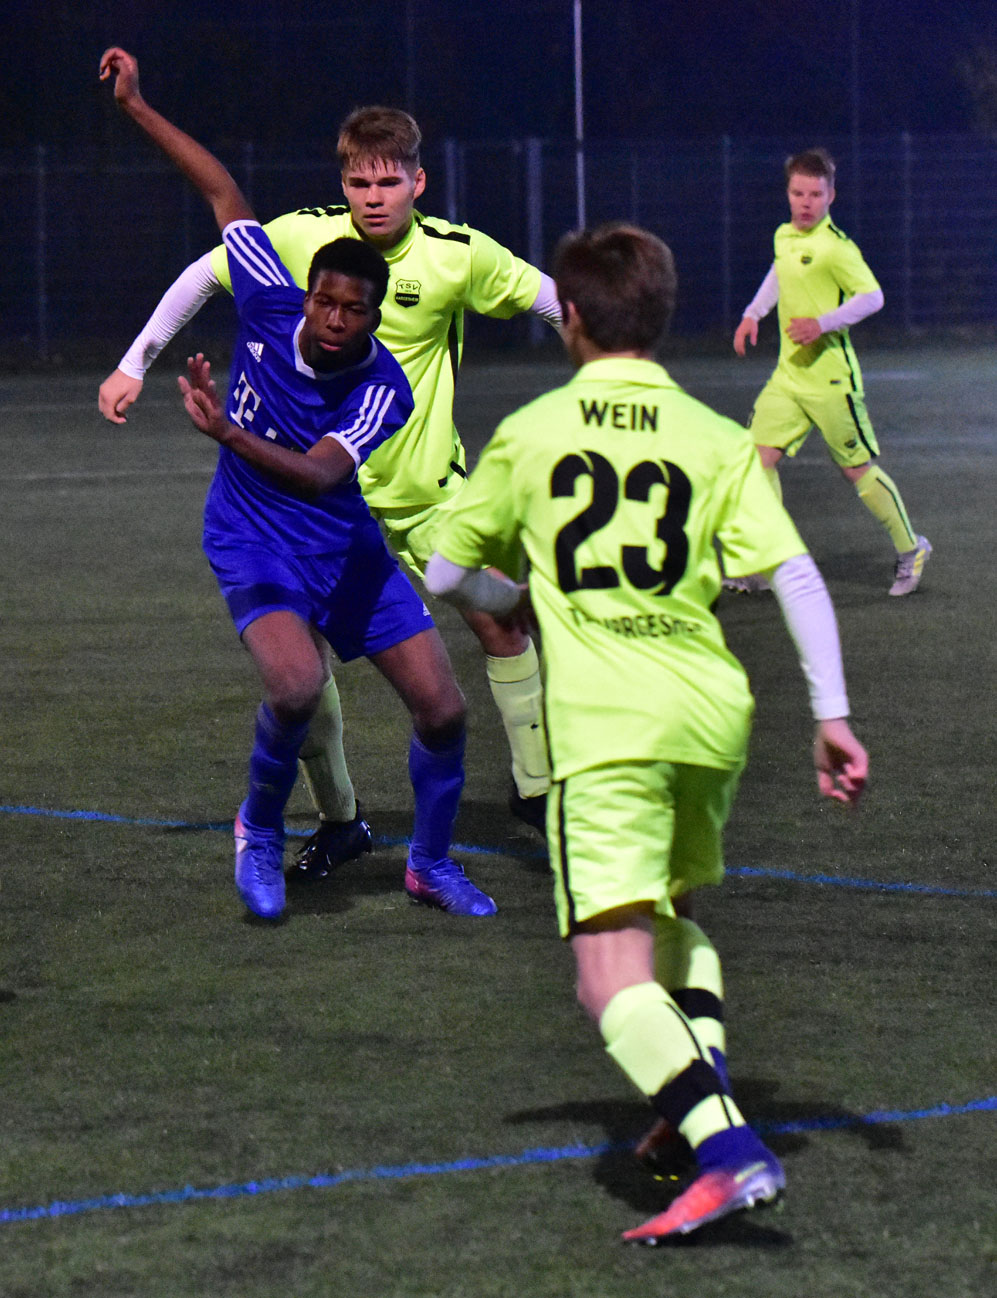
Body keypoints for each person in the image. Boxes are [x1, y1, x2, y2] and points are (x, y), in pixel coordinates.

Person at [424, 222, 869, 1242]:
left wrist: (514, 598)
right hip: (708, 715)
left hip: (607, 726)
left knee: (604, 976)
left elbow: (446, 573)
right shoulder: (712, 436)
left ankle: (725, 1148)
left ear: (570, 318)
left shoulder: (533, 432)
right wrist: (831, 716)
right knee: (669, 918)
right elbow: (794, 574)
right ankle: (692, 1098)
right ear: (660, 317)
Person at [98, 74, 562, 878]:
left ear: (418, 181)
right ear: (341, 182)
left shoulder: (458, 254)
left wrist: (608, 366)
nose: (373, 198)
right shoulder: (301, 237)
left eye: (389, 182)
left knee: (500, 621)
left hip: (423, 497)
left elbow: (549, 300)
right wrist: (135, 363)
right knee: (302, 671)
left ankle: (537, 789)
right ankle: (340, 819)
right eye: (359, 182)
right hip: (313, 511)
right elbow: (209, 268)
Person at [730, 147, 930, 597]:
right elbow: (779, 273)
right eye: (798, 193)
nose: (806, 203)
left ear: (831, 196)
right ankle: (768, 563)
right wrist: (752, 314)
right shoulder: (784, 236)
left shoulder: (837, 247)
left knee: (856, 470)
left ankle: (911, 548)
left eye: (815, 194)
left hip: (831, 381)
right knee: (755, 462)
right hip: (788, 377)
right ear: (788, 193)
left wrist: (822, 323)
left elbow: (872, 297)